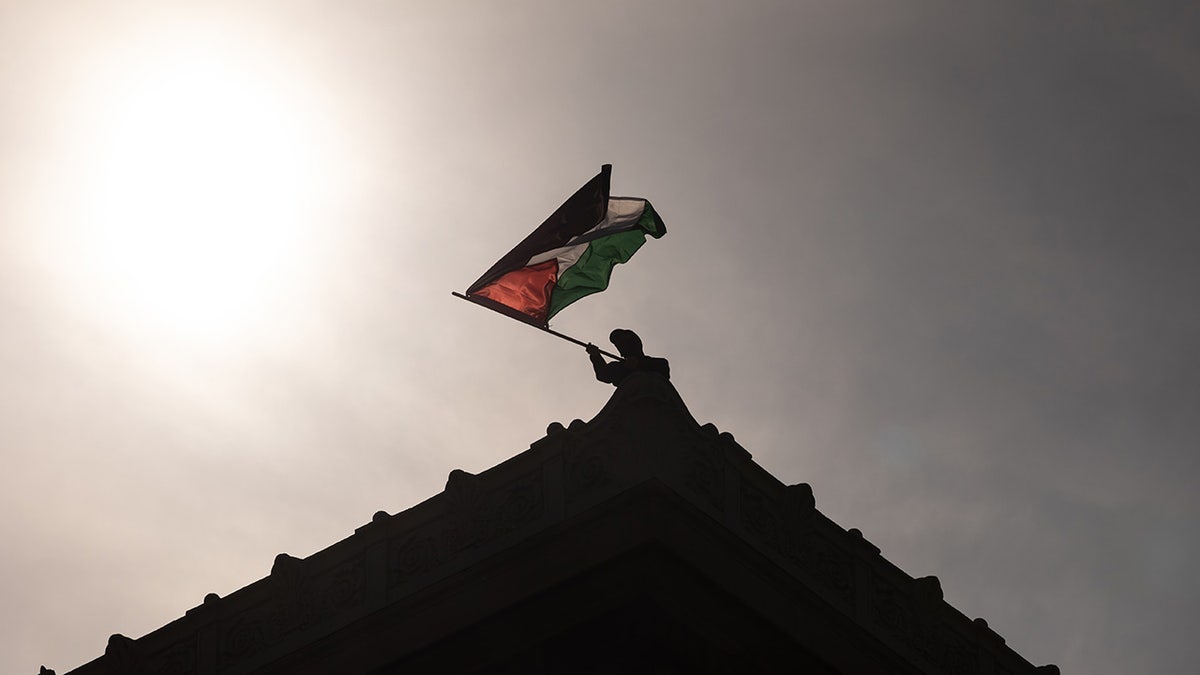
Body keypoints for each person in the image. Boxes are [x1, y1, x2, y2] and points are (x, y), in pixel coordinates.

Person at [586, 329, 670, 386]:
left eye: (626, 341)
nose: (621, 345)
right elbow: (603, 374)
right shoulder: (617, 367)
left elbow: (662, 376)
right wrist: (596, 356)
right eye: (619, 344)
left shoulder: (660, 363)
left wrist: (639, 363)